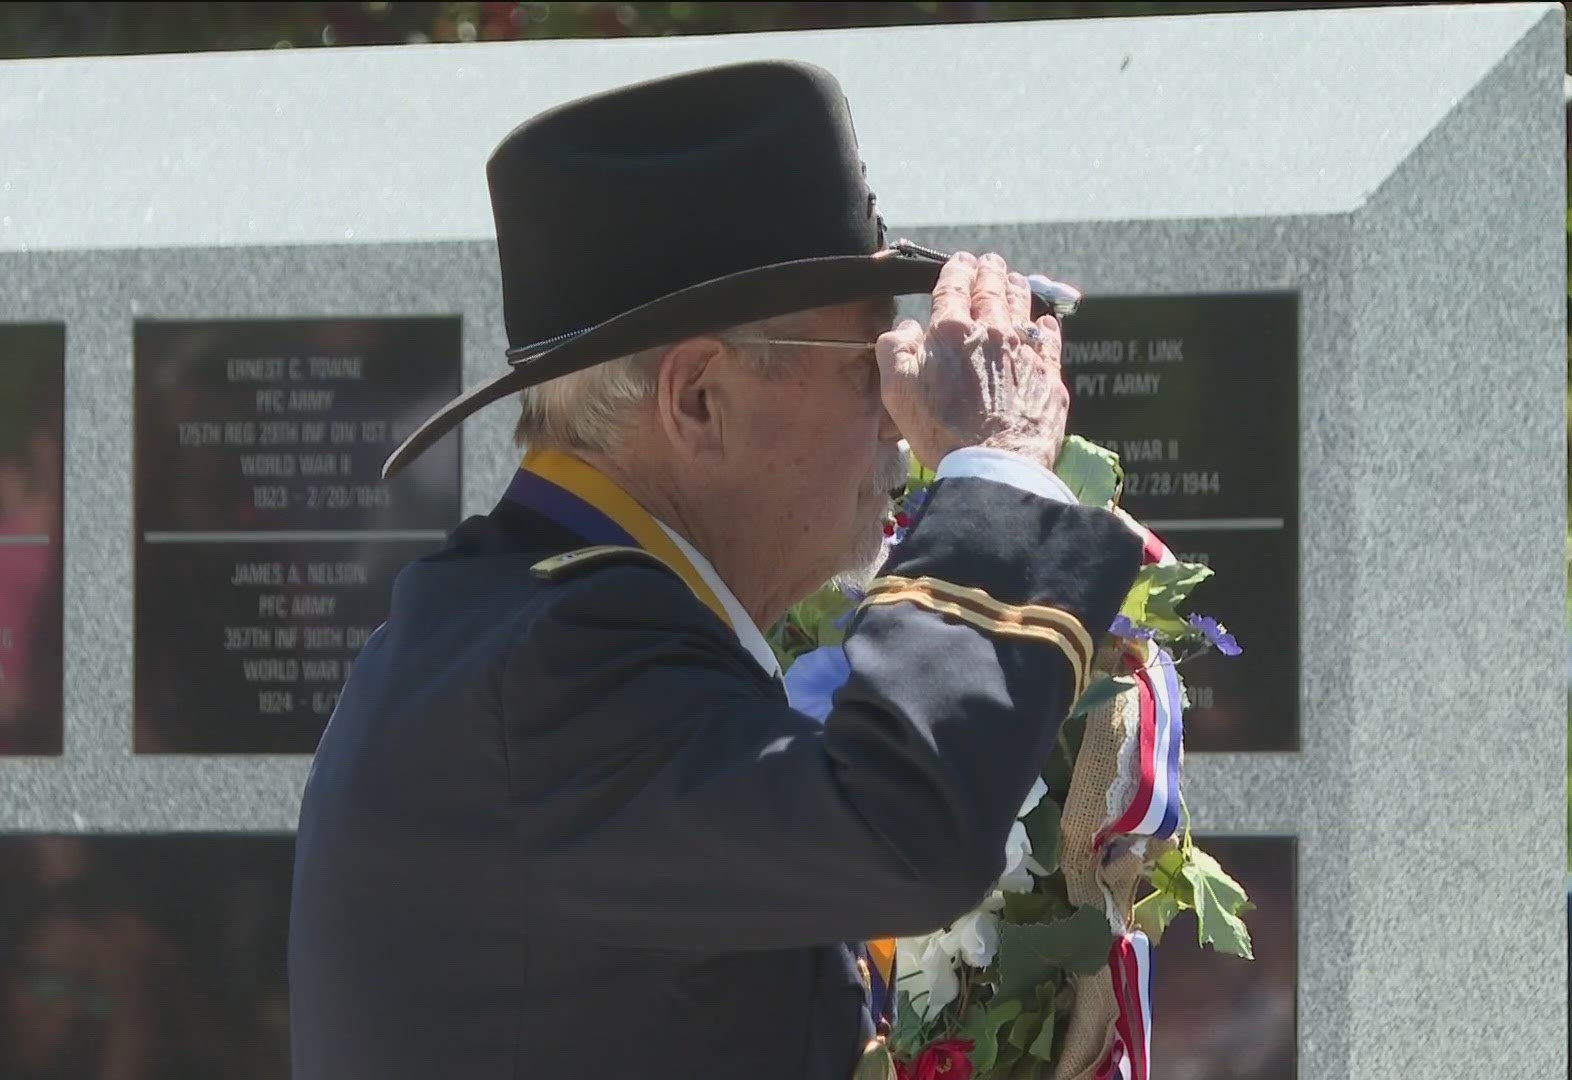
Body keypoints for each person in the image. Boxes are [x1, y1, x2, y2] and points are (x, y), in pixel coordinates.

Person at [286, 60, 1144, 1079]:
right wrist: (995, 465)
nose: (898, 411)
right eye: (866, 361)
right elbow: (899, 829)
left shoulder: (529, 621)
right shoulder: (562, 663)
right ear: (698, 398)